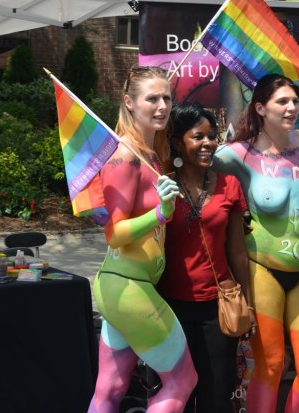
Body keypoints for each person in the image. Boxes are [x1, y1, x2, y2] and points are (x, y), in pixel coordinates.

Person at [213, 74, 299, 413]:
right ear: (260, 107)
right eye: (282, 101)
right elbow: (195, 161)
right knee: (272, 365)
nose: (292, 106)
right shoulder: (238, 153)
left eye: (294, 100)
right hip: (264, 272)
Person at [88, 66, 197, 412]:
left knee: (111, 386)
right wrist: (160, 213)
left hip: (124, 289)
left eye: (167, 97)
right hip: (128, 288)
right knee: (182, 380)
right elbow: (114, 234)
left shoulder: (150, 155)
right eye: (152, 98)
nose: (163, 105)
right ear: (129, 102)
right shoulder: (125, 156)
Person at [156, 102, 255, 412]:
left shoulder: (230, 185)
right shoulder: (162, 185)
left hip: (217, 307)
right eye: (197, 137)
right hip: (170, 308)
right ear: (176, 142)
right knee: (177, 395)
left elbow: (237, 249)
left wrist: (248, 303)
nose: (208, 143)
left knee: (217, 393)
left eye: (212, 136)